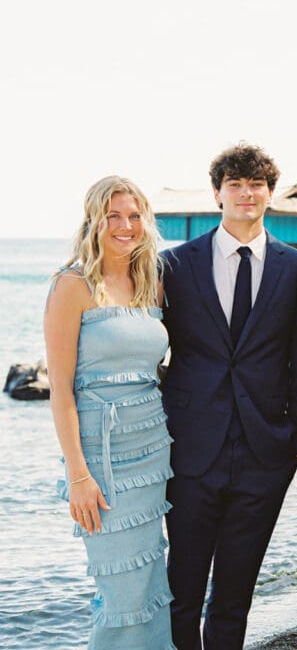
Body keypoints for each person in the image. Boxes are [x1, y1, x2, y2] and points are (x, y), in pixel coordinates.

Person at [161, 144, 297, 650]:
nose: (246, 194)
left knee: (234, 597)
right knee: (180, 593)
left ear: (270, 194)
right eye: (235, 185)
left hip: (266, 453)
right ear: (217, 193)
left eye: (256, 185)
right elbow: (142, 338)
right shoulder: (175, 265)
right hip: (189, 450)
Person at [44, 176, 174, 649]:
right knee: (120, 589)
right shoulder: (72, 285)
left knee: (149, 582)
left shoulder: (151, 281)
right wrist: (78, 475)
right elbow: (60, 388)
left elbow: (155, 368)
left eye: (135, 216)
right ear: (94, 221)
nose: (125, 226)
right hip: (102, 463)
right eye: (114, 216)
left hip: (151, 449)